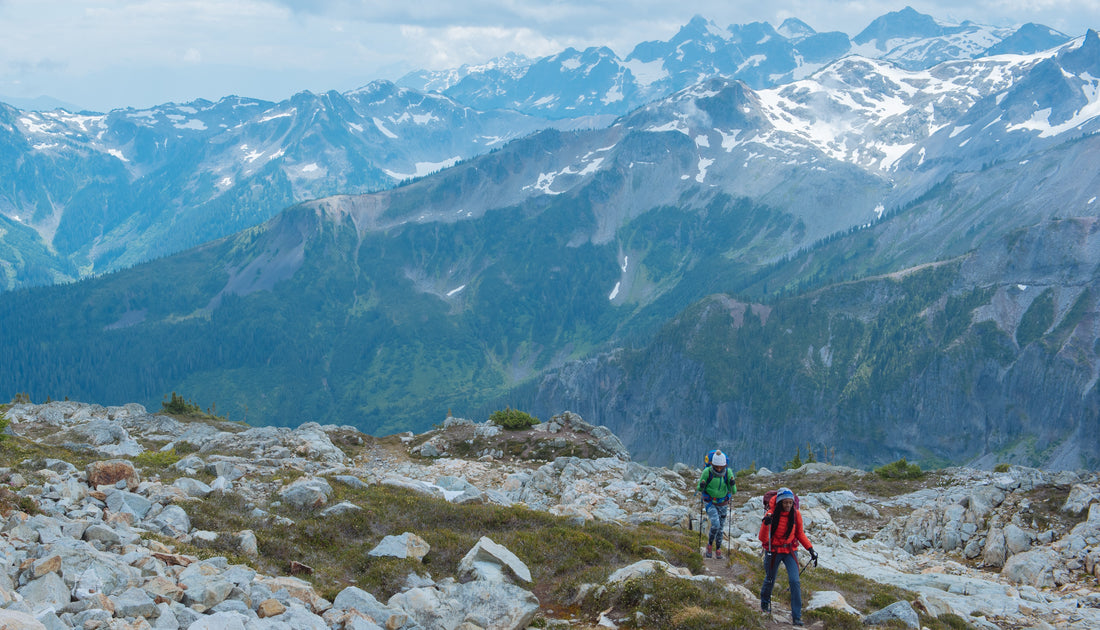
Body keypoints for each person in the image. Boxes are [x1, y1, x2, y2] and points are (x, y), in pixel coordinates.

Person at [759, 487, 818, 627]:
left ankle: (797, 616)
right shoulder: (770, 514)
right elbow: (762, 538)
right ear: (780, 503)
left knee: (795, 581)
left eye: (790, 503)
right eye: (785, 503)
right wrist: (765, 524)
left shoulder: (796, 514)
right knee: (770, 578)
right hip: (773, 551)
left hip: (790, 550)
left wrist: (810, 549)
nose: (788, 505)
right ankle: (764, 604)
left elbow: (800, 533)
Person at [696, 450, 736, 559]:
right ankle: (709, 545)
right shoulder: (707, 472)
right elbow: (699, 488)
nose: (719, 469)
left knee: (721, 528)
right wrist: (702, 485)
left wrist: (732, 485)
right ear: (713, 464)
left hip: (723, 503)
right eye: (716, 467)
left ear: (724, 465)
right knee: (716, 524)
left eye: (721, 467)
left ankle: (718, 549)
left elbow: (734, 491)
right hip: (710, 502)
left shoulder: (728, 473)